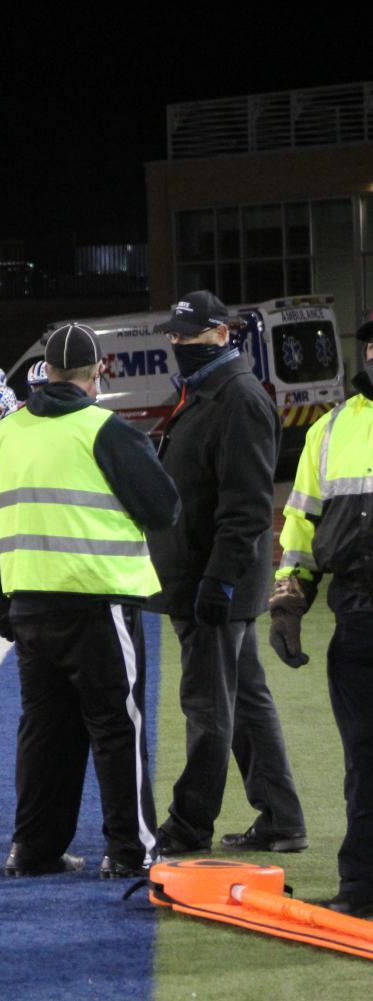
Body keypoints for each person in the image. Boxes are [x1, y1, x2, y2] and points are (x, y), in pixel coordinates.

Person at [0, 323, 180, 880]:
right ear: (98, 373)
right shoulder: (106, 430)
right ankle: (132, 851)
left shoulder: (8, 431)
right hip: (97, 600)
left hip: (30, 606)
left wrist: (1, 597)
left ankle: (35, 850)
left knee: (45, 731)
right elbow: (163, 507)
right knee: (117, 727)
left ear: (44, 373)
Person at [146, 290, 306, 857]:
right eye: (175, 333)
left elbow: (245, 505)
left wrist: (220, 582)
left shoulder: (236, 397)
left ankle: (190, 826)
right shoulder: (213, 391)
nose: (177, 342)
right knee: (247, 702)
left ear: (221, 334)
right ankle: (283, 820)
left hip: (211, 581)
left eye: (187, 335)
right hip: (206, 576)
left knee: (209, 708)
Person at [268, 313, 373, 917]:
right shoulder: (330, 430)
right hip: (357, 615)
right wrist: (289, 601)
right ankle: (362, 889)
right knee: (364, 756)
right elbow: (300, 526)